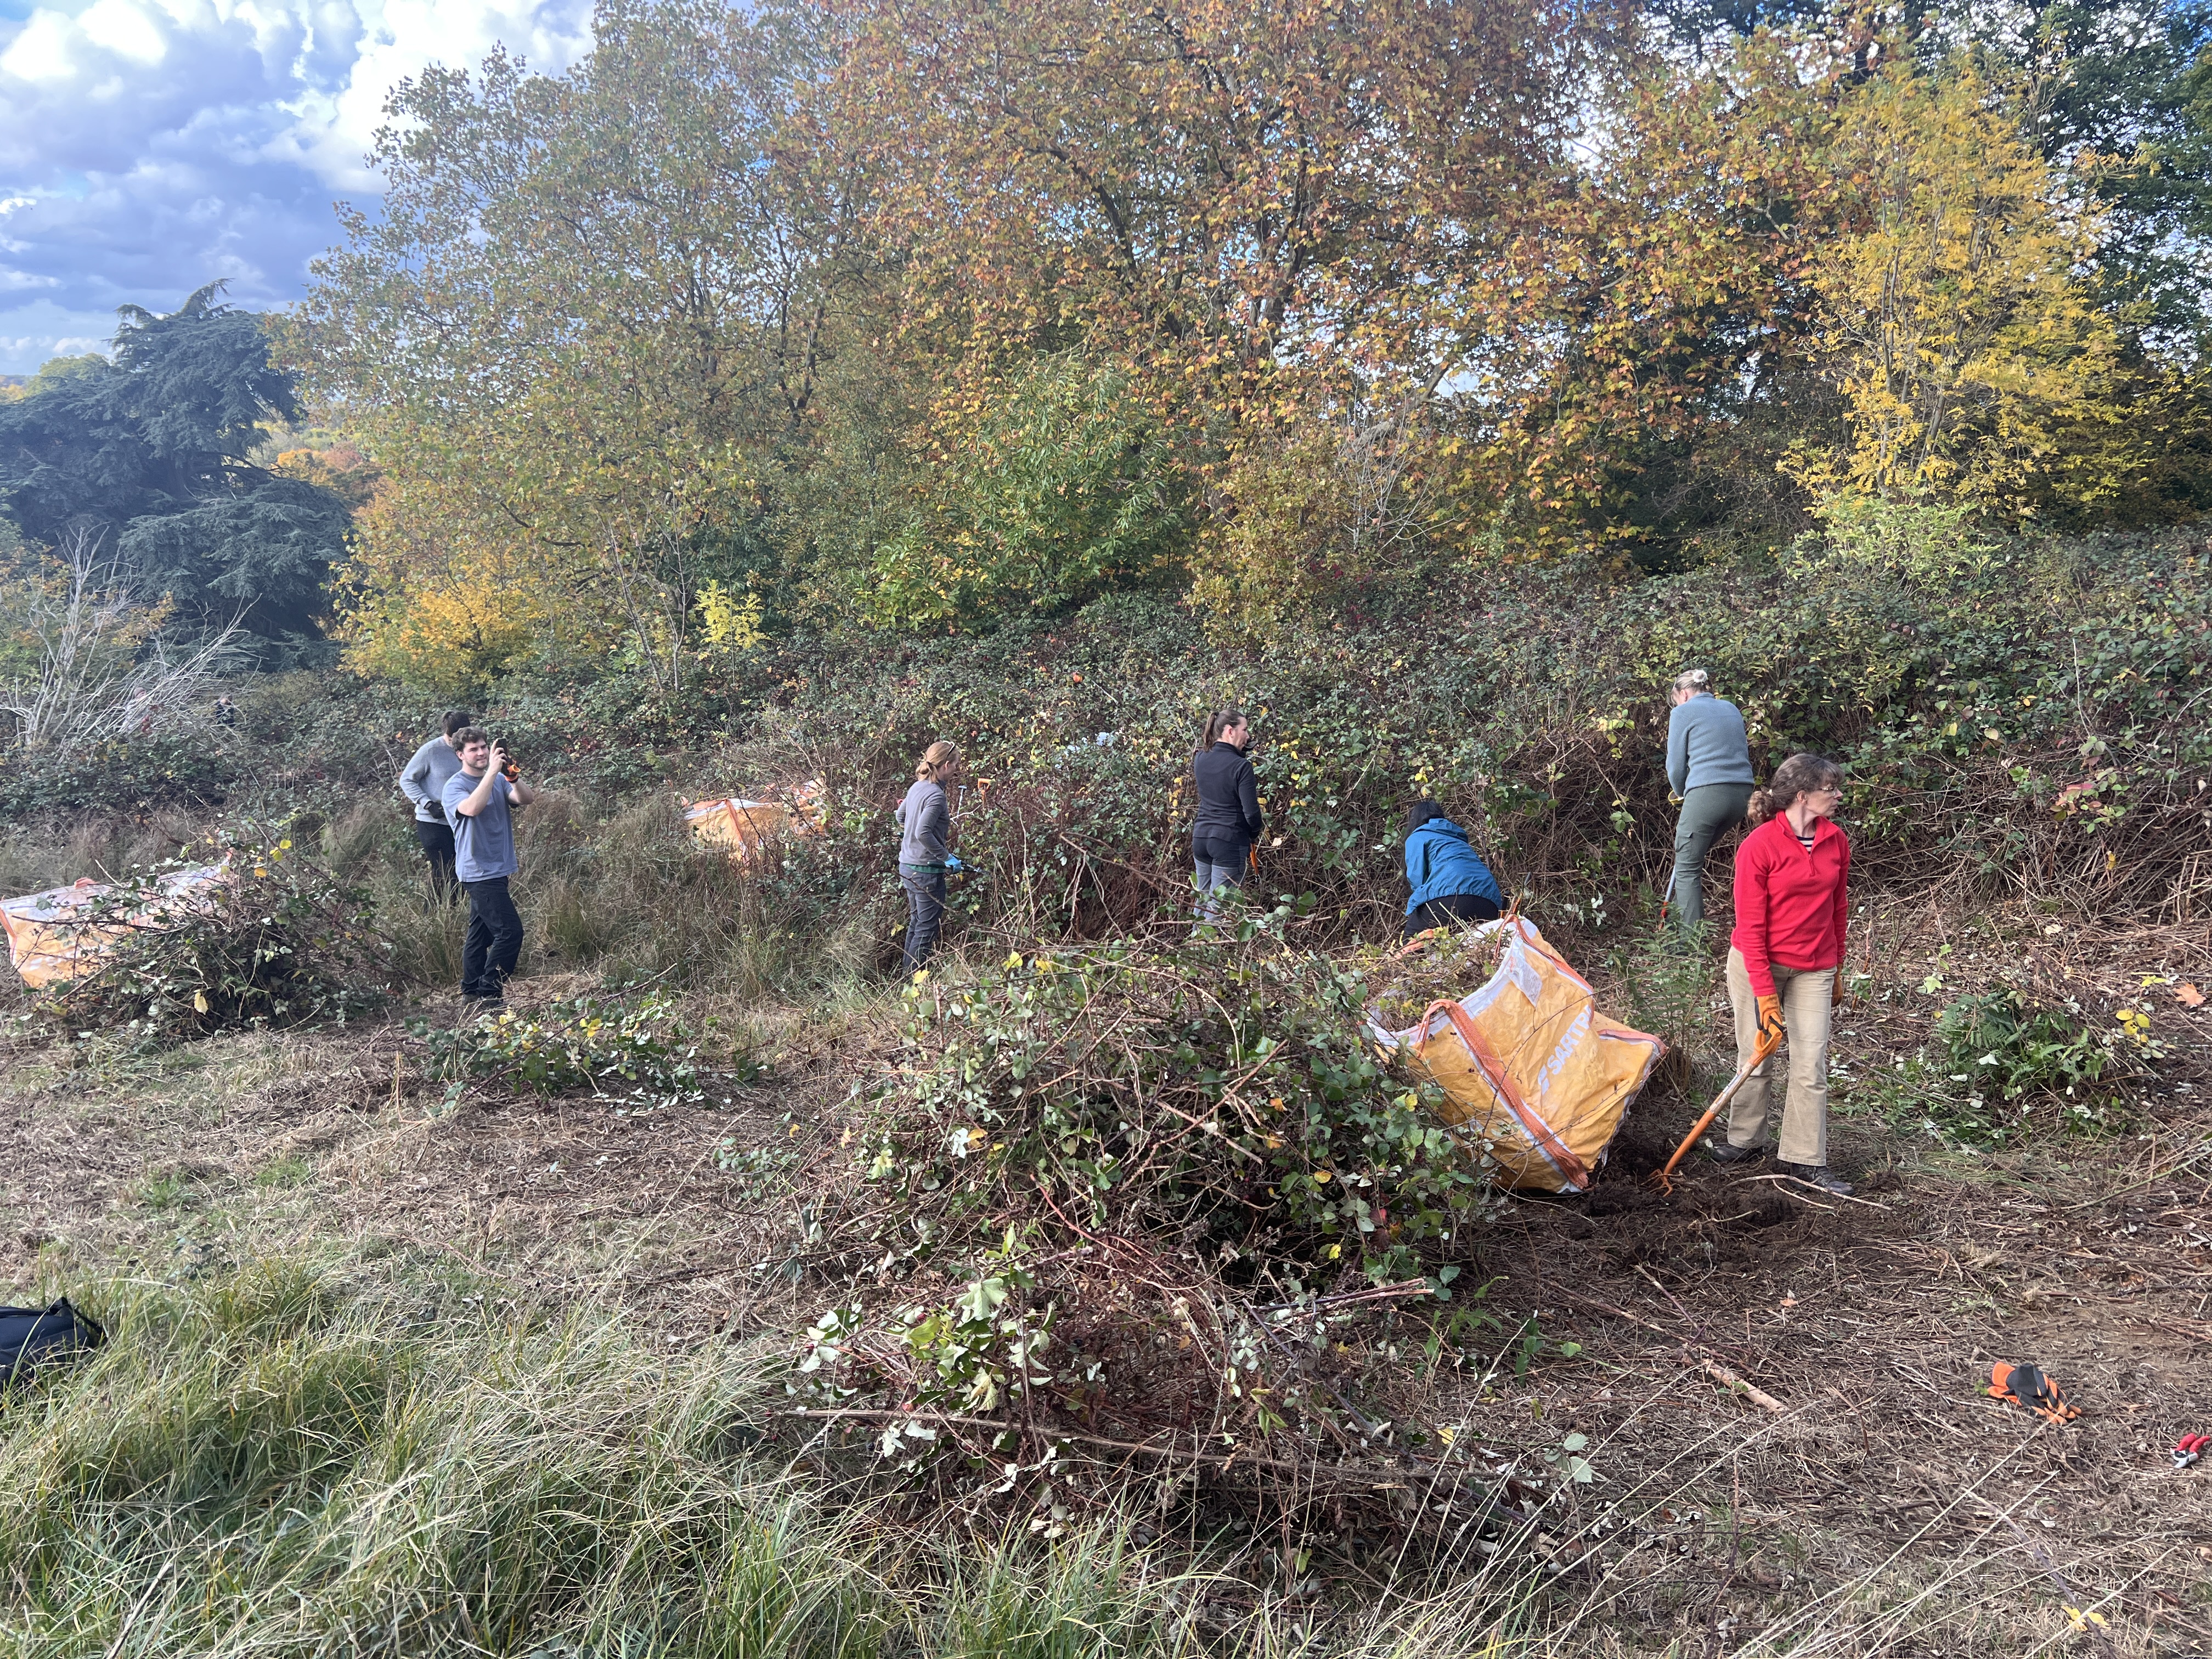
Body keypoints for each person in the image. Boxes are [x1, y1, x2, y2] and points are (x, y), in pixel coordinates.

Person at [1713, 752, 1852, 1195]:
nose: (1837, 795)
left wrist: (1838, 968)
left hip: (1815, 966)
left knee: (1811, 1064)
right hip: (1759, 963)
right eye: (1829, 788)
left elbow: (1838, 909)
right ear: (1802, 794)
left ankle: (1803, 1158)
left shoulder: (1836, 841)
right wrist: (1765, 994)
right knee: (1758, 1055)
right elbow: (1751, 929)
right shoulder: (1759, 846)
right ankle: (1744, 1141)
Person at [441, 727, 537, 1006]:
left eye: (484, 747)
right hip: (478, 871)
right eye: (473, 749)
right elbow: (471, 808)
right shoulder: (455, 786)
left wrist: (511, 776)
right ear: (460, 755)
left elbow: (525, 799)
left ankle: (471, 992)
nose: (481, 753)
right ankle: (490, 992)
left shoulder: (497, 779)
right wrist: (493, 773)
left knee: (479, 934)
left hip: (499, 867)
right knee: (510, 932)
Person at [1663, 669, 1756, 933]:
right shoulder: (1731, 708)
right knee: (1688, 861)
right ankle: (1673, 929)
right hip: (1742, 795)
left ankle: (1688, 949)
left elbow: (1676, 768)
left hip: (1707, 794)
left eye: (1677, 699)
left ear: (1684, 694)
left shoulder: (1682, 712)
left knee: (1688, 868)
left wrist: (1681, 792)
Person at [1190, 708, 1263, 922]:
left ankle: (1191, 950)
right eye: (1245, 730)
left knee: (1202, 901)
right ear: (1230, 731)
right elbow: (1251, 813)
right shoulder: (1241, 766)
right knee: (1218, 908)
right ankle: (1206, 951)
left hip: (1201, 839)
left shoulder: (1201, 758)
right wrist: (1254, 833)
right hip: (1229, 843)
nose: (1248, 736)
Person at [897, 741, 963, 974]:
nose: (956, 769)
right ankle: (913, 983)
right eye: (955, 765)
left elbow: (900, 816)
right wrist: (946, 857)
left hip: (907, 867)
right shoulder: (936, 796)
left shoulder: (917, 787)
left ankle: (905, 981)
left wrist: (915, 846)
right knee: (926, 929)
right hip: (925, 874)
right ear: (946, 765)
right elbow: (922, 832)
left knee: (917, 924)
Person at [1400, 800, 1504, 940]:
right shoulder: (1458, 839)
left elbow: (1417, 878)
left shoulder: (1417, 837)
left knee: (1410, 944)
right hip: (1489, 904)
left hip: (1450, 899)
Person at [398, 710, 475, 900]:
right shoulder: (431, 751)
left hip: (461, 822)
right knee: (444, 871)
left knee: (463, 870)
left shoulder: (471, 750)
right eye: (452, 736)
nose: (455, 740)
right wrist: (428, 804)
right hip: (433, 823)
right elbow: (407, 780)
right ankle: (433, 915)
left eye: (461, 736)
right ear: (447, 733)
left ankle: (455, 914)